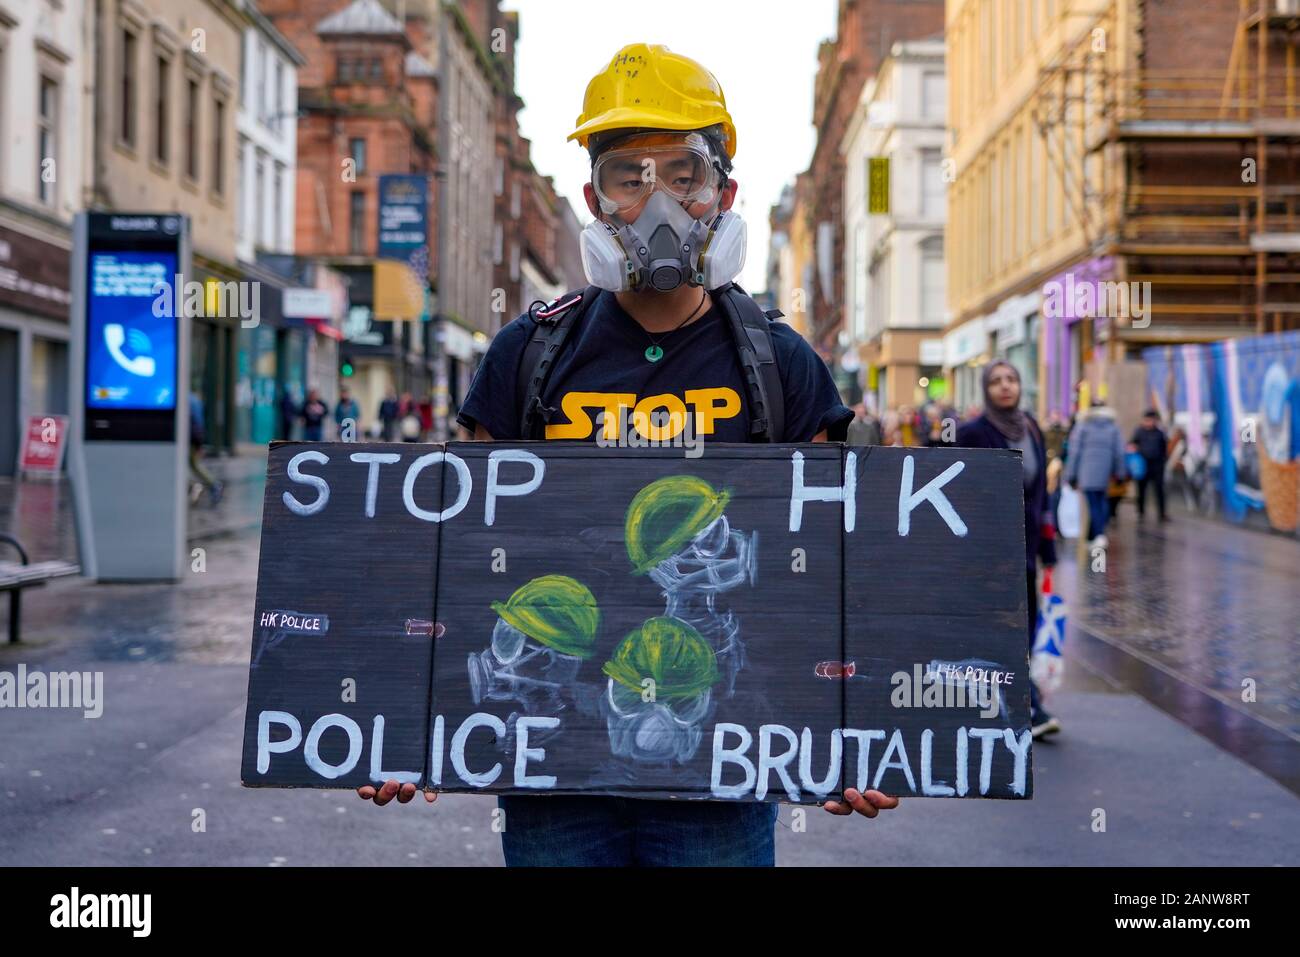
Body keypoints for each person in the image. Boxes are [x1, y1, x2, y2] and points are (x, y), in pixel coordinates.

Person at [355, 43, 898, 865]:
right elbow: (453, 554)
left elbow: (828, 567)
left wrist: (848, 734)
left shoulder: (783, 366)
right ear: (593, 198)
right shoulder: (526, 354)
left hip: (724, 780)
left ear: (724, 194)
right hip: (554, 782)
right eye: (628, 176)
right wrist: (408, 720)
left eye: (684, 174)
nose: (658, 203)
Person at [953, 361, 1059, 739]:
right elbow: (961, 492)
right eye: (996, 381)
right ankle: (1028, 705)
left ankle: (1012, 697)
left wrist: (1050, 550)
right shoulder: (972, 432)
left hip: (1026, 546)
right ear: (986, 389)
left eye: (1011, 379)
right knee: (999, 626)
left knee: (1025, 623)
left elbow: (1042, 496)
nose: (1005, 387)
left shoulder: (1030, 428)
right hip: (988, 551)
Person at [1064, 397, 1127, 548]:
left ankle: (1098, 535)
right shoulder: (1113, 427)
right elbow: (1119, 452)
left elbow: (1074, 452)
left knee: (1093, 504)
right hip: (1105, 472)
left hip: (1087, 472)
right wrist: (1120, 473)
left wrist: (1071, 475)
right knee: (1101, 501)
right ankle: (1093, 536)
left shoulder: (1083, 426)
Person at [1130, 408, 1169, 522]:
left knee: (1159, 489)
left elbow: (1164, 449)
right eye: (1147, 420)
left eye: (1151, 420)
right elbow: (1132, 444)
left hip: (1157, 465)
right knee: (1141, 490)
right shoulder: (1139, 432)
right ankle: (1141, 512)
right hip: (1142, 465)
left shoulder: (1160, 433)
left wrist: (1162, 461)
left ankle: (1161, 513)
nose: (1149, 423)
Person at [188, 390, 224, 505]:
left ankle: (211, 485)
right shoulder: (194, 400)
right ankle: (202, 486)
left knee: (194, 464)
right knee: (193, 464)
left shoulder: (187, 400)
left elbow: (194, 423)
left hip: (191, 438)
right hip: (194, 437)